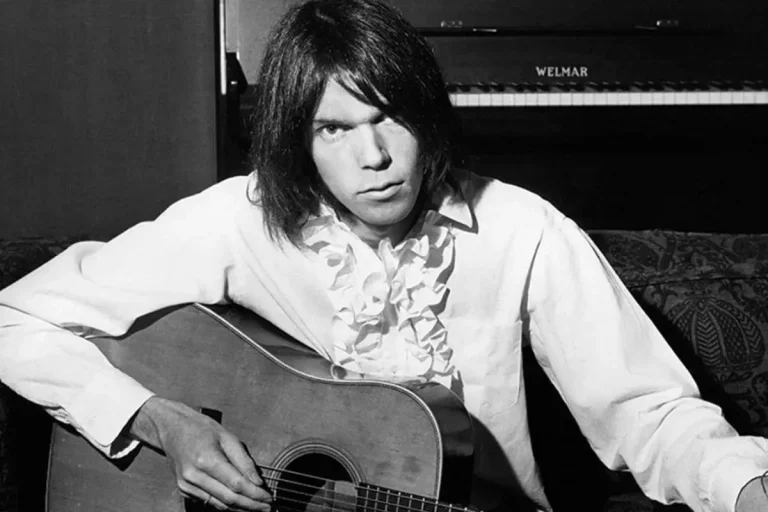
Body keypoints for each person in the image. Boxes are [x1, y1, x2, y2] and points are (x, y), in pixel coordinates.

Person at [1, 0, 768, 510]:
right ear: (297, 141)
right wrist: (160, 420)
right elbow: (13, 319)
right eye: (335, 129)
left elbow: (651, 413)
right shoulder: (236, 222)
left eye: (390, 117)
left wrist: (743, 489)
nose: (374, 156)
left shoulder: (520, 228)